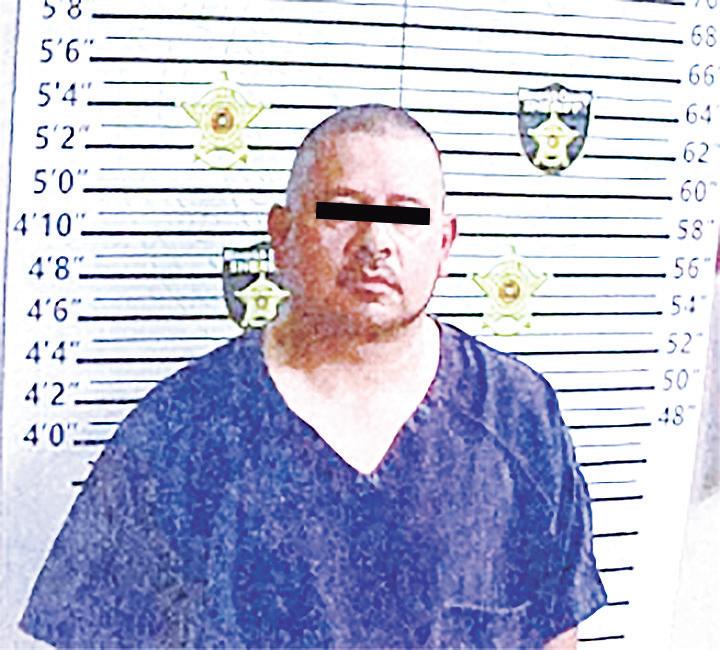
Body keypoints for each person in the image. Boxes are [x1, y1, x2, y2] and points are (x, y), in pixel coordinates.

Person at [19, 104, 607, 649]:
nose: (375, 243)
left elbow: (554, 632)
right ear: (282, 235)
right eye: (343, 210)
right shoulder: (182, 432)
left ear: (445, 243)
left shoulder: (519, 414)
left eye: (405, 216)